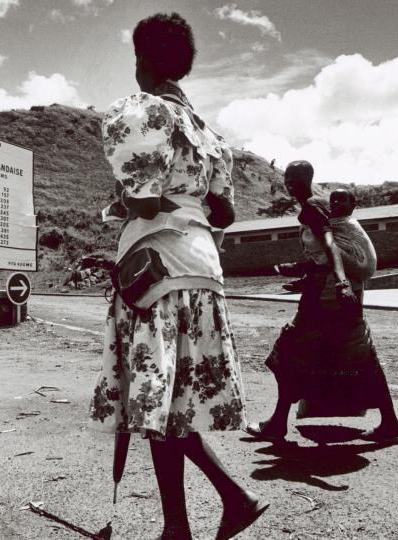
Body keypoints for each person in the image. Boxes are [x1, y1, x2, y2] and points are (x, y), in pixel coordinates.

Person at [88, 13, 267, 540]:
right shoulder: (211, 136)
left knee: (155, 398)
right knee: (173, 403)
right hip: (203, 268)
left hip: (156, 270)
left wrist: (132, 200)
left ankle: (214, 508)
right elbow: (226, 214)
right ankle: (185, 523)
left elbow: (142, 200)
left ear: (143, 60)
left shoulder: (142, 112)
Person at [245, 161, 398, 443]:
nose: (290, 182)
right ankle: (390, 422)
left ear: (308, 178)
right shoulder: (314, 206)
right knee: (357, 358)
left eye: (296, 177)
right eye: (287, 177)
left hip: (328, 302)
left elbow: (330, 245)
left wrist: (341, 282)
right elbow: (322, 257)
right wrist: (303, 273)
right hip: (325, 298)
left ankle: (278, 423)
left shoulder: (313, 206)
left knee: (291, 354)